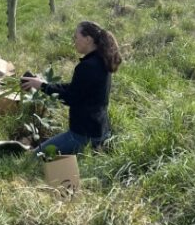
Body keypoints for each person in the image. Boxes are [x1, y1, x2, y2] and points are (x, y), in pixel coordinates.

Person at [21, 21, 122, 155]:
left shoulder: (86, 66)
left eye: (76, 37)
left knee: (35, 156)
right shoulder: (102, 60)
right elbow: (77, 88)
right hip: (100, 130)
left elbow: (71, 98)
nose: (74, 41)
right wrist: (44, 84)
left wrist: (42, 86)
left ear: (88, 39)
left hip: (83, 135)